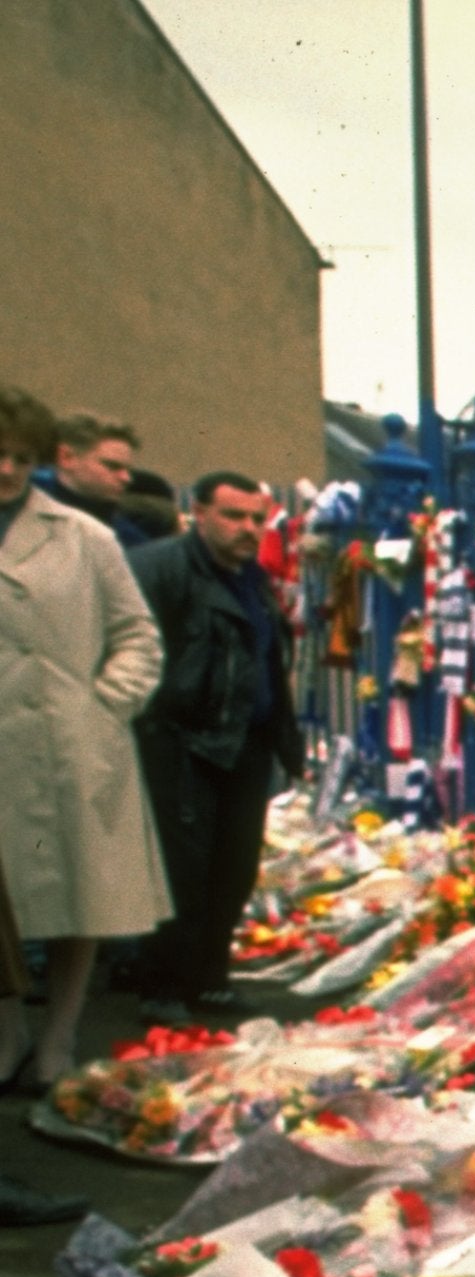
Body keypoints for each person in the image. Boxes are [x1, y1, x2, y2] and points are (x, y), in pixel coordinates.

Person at [0, 383, 171, 1110]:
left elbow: (138, 635)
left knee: (81, 898)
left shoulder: (84, 536)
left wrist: (105, 705)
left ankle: (61, 1038)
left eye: (20, 457)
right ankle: (9, 1032)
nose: (7, 469)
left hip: (71, 744)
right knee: (4, 907)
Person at [126, 471, 301, 1016]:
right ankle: (164, 984)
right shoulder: (160, 568)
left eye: (257, 518)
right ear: (198, 513)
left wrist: (285, 740)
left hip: (245, 743)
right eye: (233, 516)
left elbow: (268, 660)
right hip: (183, 739)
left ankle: (208, 977)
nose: (248, 529)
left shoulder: (252, 577)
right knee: (184, 868)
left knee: (235, 866)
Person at [40, 414, 141, 544]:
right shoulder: (18, 511)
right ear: (67, 457)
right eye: (112, 466)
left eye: (128, 470)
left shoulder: (129, 539)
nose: (127, 478)